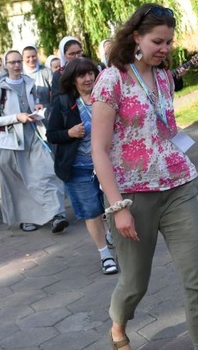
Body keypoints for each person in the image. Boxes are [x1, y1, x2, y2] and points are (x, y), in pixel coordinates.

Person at [91, 3, 198, 350]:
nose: (165, 49)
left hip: (177, 186)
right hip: (131, 195)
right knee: (135, 282)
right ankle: (118, 324)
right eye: (157, 42)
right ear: (136, 37)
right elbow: (98, 150)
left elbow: (166, 129)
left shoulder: (163, 78)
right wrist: (118, 207)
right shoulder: (112, 80)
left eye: (169, 43)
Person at [46, 57, 118, 275]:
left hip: (109, 164)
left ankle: (112, 235)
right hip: (78, 168)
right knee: (91, 212)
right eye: (82, 75)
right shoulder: (63, 102)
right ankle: (105, 254)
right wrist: (70, 133)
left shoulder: (105, 96)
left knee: (114, 206)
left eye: (91, 73)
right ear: (73, 79)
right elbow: (52, 134)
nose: (88, 78)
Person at [0, 50, 69, 233]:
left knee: (48, 174)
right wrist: (17, 117)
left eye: (18, 62)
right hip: (13, 142)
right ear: (5, 65)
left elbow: (33, 105)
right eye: (12, 62)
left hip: (35, 136)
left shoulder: (29, 83)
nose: (16, 66)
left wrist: (37, 108)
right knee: (23, 182)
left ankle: (57, 215)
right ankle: (29, 217)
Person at [50, 36, 83, 101]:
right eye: (72, 54)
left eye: (79, 52)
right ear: (64, 55)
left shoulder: (90, 69)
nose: (76, 56)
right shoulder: (59, 75)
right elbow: (56, 101)